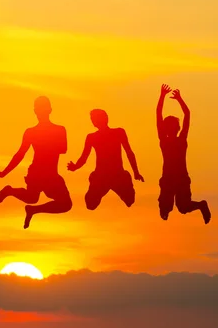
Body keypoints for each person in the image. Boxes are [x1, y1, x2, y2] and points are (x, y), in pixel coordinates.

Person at [0, 96, 72, 229]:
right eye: (38, 109)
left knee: (65, 204)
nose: (40, 112)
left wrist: (46, 140)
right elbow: (20, 154)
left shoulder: (60, 129)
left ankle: (33, 210)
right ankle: (10, 191)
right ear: (35, 111)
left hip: (51, 174)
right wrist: (3, 172)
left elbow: (63, 149)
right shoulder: (31, 132)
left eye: (43, 109)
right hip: (36, 172)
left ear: (50, 110)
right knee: (32, 198)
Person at [68, 109, 144, 210]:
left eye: (94, 119)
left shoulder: (119, 132)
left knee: (130, 201)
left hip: (117, 175)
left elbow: (129, 152)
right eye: (92, 119)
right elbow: (84, 157)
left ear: (105, 118)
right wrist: (75, 167)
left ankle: (126, 179)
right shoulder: (92, 137)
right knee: (90, 205)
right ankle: (97, 179)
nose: (93, 121)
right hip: (101, 177)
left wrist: (136, 172)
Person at [156, 84, 211, 223]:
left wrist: (168, 97)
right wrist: (172, 98)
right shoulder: (169, 140)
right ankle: (166, 210)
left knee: (182, 207)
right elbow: (161, 115)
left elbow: (186, 115)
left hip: (180, 178)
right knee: (167, 207)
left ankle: (201, 205)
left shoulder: (179, 140)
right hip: (170, 178)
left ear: (176, 128)